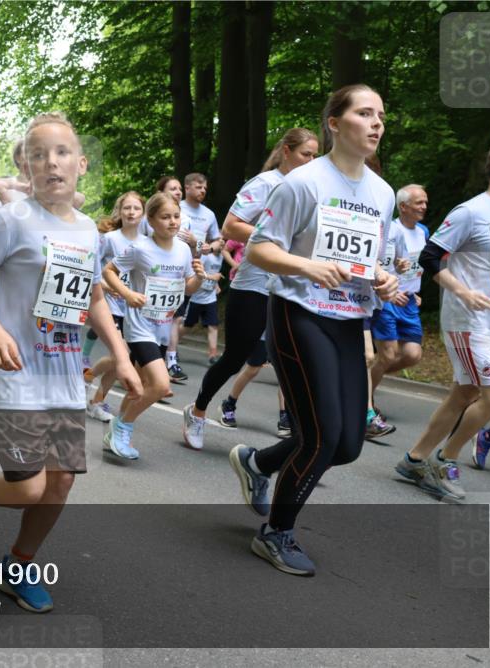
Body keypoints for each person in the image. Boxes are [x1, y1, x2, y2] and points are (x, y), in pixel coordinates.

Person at [0, 112, 142, 613]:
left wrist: (121, 356)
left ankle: (19, 562)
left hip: (66, 373)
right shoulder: (10, 220)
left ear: (81, 164)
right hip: (17, 373)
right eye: (39, 154)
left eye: (62, 152)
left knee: (63, 480)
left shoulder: (91, 231)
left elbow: (93, 297)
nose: (52, 162)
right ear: (27, 166)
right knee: (28, 486)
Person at [227, 84, 398, 576]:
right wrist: (308, 267)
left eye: (381, 116)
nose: (376, 123)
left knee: (346, 445)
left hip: (349, 319)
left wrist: (383, 278)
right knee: (320, 435)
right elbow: (260, 249)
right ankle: (276, 533)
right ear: (335, 123)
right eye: (364, 113)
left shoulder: (382, 193)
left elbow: (373, 260)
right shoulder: (303, 182)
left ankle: (258, 464)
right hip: (297, 312)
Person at [182, 128, 318, 448]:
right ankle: (198, 411)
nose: (311, 161)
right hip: (255, 285)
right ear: (286, 151)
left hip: (291, 287)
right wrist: (274, 238)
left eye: (315, 155)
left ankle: (300, 443)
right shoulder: (265, 183)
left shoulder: (313, 191)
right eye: (305, 154)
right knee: (234, 358)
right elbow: (231, 226)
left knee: (293, 361)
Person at [395, 137, 490, 500]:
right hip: (466, 320)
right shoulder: (470, 212)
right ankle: (446, 458)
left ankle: (414, 458)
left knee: (465, 393)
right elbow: (430, 258)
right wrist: (462, 291)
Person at [103, 192, 204, 458]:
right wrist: (127, 294)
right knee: (160, 386)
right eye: (165, 217)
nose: (173, 222)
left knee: (140, 387)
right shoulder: (140, 248)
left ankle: (116, 432)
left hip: (162, 328)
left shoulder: (183, 250)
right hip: (139, 327)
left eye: (176, 216)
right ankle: (121, 426)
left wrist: (200, 279)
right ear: (151, 220)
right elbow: (108, 272)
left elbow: (187, 288)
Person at [367, 184, 430, 435]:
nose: (424, 207)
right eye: (419, 203)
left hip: (410, 301)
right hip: (390, 299)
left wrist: (416, 292)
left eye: (425, 202)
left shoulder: (423, 231)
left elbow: (408, 265)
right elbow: (386, 266)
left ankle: (360, 385)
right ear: (403, 206)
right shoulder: (390, 229)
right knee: (388, 354)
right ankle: (365, 403)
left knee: (412, 354)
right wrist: (392, 292)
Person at [84, 191, 145, 422]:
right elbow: (93, 266)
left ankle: (95, 400)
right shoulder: (110, 239)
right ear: (119, 211)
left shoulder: (146, 242)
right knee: (122, 354)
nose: (131, 213)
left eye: (136, 208)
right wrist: (106, 286)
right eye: (127, 208)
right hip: (110, 304)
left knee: (122, 359)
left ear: (143, 213)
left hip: (133, 308)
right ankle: (87, 378)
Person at [166, 172, 219, 382]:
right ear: (187, 187)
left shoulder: (206, 215)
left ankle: (170, 358)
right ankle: (157, 359)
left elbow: (212, 244)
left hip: (189, 271)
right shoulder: (171, 211)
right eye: (198, 186)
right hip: (161, 270)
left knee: (177, 317)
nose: (203, 190)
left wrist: (207, 246)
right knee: (164, 317)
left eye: (205, 187)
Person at [180, 239, 224, 365]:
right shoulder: (205, 256)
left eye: (223, 242)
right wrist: (212, 278)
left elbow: (215, 273)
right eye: (220, 242)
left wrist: (216, 284)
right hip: (196, 296)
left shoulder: (220, 257)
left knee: (213, 325)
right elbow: (195, 271)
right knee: (188, 325)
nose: (222, 244)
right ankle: (170, 346)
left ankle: (213, 355)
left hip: (210, 297)